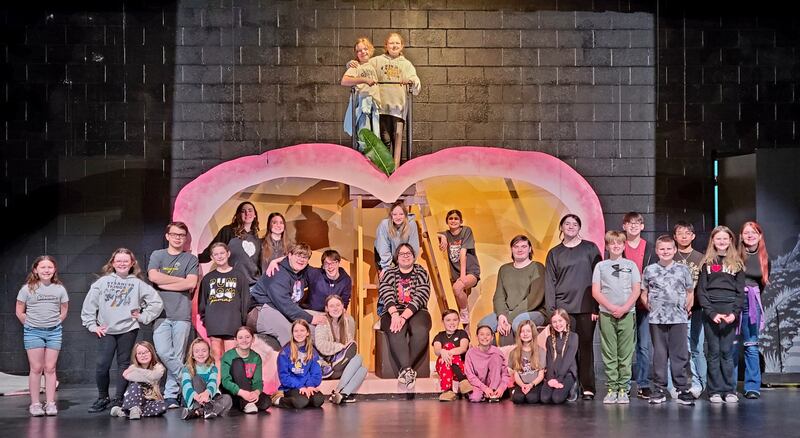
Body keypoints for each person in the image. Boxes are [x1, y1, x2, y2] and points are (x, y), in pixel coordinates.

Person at [81, 248, 164, 413]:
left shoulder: (137, 283)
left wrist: (143, 316)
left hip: (128, 329)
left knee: (123, 364)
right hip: (106, 330)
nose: (122, 263)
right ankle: (103, 397)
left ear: (132, 263)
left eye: (126, 261)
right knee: (102, 364)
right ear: (112, 263)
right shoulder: (102, 282)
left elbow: (156, 303)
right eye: (118, 260)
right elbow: (89, 304)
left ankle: (119, 398)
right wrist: (91, 325)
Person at [544, 214, 602, 400]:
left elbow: (599, 278)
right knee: (566, 349)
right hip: (563, 310)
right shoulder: (554, 253)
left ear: (579, 227)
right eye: (567, 224)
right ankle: (570, 386)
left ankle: (588, 387)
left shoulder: (590, 248)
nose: (571, 226)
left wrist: (596, 307)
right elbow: (550, 283)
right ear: (561, 227)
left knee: (585, 347)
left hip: (586, 307)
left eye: (575, 224)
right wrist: (552, 312)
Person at [147, 221, 199, 409]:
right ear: (167, 236)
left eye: (181, 235)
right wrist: (180, 281)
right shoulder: (157, 255)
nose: (178, 238)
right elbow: (153, 277)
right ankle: (188, 386)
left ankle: (170, 395)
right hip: (160, 314)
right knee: (163, 352)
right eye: (175, 234)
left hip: (181, 314)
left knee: (177, 355)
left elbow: (191, 283)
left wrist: (164, 283)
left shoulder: (190, 259)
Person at [349, 32, 421, 164]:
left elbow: (416, 83)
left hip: (398, 110)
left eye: (397, 43)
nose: (394, 45)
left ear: (402, 46)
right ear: (386, 45)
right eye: (391, 43)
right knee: (384, 142)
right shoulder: (377, 61)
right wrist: (351, 64)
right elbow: (362, 65)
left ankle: (396, 171)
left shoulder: (407, 64)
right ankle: (385, 171)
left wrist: (410, 80)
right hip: (381, 109)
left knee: (397, 141)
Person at [640, 235, 695, 406]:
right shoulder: (650, 270)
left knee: (680, 355)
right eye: (662, 249)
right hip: (657, 320)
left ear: (674, 250)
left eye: (669, 249)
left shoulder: (683, 269)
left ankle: (682, 389)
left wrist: (686, 308)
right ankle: (659, 389)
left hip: (678, 319)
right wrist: (650, 307)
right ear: (657, 251)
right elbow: (644, 292)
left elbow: (690, 291)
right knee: (659, 355)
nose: (665, 252)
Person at [697, 226, 745, 403]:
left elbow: (740, 292)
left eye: (725, 238)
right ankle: (714, 391)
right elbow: (701, 291)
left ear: (730, 240)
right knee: (714, 352)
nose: (722, 241)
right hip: (712, 312)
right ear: (713, 241)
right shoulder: (707, 262)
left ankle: (729, 390)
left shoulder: (737, 263)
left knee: (726, 351)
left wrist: (734, 313)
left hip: (729, 312)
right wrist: (711, 313)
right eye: (718, 238)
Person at [15, 256, 69, 417]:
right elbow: (19, 311)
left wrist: (55, 322)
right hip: (33, 332)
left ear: (54, 270)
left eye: (50, 267)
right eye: (43, 267)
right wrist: (30, 324)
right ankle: (35, 404)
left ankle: (50, 403)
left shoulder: (59, 289)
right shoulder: (27, 289)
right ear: (35, 270)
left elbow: (64, 310)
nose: (46, 270)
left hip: (54, 332)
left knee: (50, 368)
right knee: (36, 368)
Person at [591, 231, 640, 404]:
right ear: (607, 246)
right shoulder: (601, 266)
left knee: (625, 353)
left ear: (624, 245)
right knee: (609, 352)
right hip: (607, 314)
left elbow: (636, 290)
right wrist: (612, 308)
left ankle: (623, 389)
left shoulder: (631, 265)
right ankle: (612, 388)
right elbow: (596, 291)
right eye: (612, 243)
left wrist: (624, 308)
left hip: (627, 313)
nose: (616, 246)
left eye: (619, 243)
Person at [378, 243, 432, 390]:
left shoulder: (421, 272)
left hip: (417, 310)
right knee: (395, 329)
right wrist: (395, 314)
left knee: (420, 330)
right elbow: (386, 293)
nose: (406, 256)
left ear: (413, 256)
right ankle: (408, 370)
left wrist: (403, 317)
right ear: (397, 257)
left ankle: (405, 369)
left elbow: (421, 296)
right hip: (393, 311)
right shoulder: (390, 273)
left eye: (409, 253)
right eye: (402, 254)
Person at [250, 243, 326, 346]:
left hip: (281, 308)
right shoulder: (277, 273)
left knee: (316, 327)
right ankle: (292, 356)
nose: (301, 259)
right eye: (298, 255)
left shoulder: (303, 270)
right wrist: (311, 319)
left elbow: (325, 272)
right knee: (291, 332)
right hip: (260, 309)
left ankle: (330, 352)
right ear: (289, 255)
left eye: (305, 257)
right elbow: (286, 306)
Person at [478, 235, 546, 346]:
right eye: (516, 246)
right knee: (484, 325)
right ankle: (493, 355)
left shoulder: (537, 267)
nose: (520, 249)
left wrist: (508, 319)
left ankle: (515, 356)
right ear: (511, 249)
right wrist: (501, 315)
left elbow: (534, 299)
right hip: (508, 312)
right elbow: (499, 296)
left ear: (530, 249)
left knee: (516, 323)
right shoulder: (504, 269)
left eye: (524, 246)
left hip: (534, 311)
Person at [620, 212, 657, 400]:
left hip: (644, 304)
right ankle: (624, 384)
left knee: (643, 346)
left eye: (637, 223)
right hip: (625, 304)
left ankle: (643, 384)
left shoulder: (650, 247)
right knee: (625, 347)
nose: (633, 226)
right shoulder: (619, 246)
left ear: (642, 226)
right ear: (624, 226)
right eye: (630, 223)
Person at [198, 242, 250, 368]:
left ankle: (229, 381)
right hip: (214, 322)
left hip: (233, 321)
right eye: (216, 254)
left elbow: (245, 300)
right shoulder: (208, 278)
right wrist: (206, 320)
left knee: (231, 356)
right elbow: (203, 302)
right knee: (216, 355)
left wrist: (241, 321)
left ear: (228, 254)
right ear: (212, 257)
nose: (219, 256)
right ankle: (218, 380)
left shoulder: (239, 276)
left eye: (222, 253)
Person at [735, 221, 770, 400]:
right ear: (741, 236)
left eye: (753, 232)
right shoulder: (734, 255)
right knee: (732, 345)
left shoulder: (764, 258)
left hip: (752, 302)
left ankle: (752, 386)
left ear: (760, 235)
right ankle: (729, 386)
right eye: (746, 232)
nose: (750, 235)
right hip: (733, 302)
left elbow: (761, 285)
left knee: (751, 344)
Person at [672, 221, 706, 398]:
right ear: (675, 237)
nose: (684, 236)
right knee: (677, 348)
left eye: (687, 233)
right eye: (680, 233)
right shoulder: (670, 256)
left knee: (696, 348)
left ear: (693, 236)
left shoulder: (701, 258)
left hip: (697, 309)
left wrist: (692, 304)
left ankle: (701, 383)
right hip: (675, 310)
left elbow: (703, 286)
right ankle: (679, 384)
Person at [315, 295, 367, 404]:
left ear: (343, 307)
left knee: (363, 369)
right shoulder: (322, 323)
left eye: (338, 305)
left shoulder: (346, 322)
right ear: (326, 309)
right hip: (328, 365)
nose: (335, 308)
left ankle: (341, 393)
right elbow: (321, 345)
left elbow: (349, 346)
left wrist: (347, 347)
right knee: (359, 358)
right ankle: (340, 391)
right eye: (332, 306)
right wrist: (340, 347)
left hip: (341, 363)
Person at [199, 201, 262, 286]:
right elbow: (211, 250)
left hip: (253, 285)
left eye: (250, 210)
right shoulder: (228, 231)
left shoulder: (256, 238)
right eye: (243, 211)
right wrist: (192, 259)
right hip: (232, 283)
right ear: (238, 215)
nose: (247, 213)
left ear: (255, 215)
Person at [437, 210, 481, 328]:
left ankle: (464, 312)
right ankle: (466, 329)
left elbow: (463, 253)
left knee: (457, 288)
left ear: (461, 221)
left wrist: (462, 276)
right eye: (450, 218)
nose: (453, 221)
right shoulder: (446, 234)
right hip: (456, 274)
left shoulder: (466, 231)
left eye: (456, 218)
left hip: (470, 271)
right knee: (456, 295)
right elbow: (428, 233)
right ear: (447, 221)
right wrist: (442, 236)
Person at [275, 320, 326, 409]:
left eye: (302, 330)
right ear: (292, 333)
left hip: (306, 385)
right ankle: (278, 400)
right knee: (301, 402)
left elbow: (316, 373)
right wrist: (300, 386)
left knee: (318, 400)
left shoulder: (312, 352)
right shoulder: (285, 352)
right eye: (296, 331)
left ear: (307, 333)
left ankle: (305, 399)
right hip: (291, 387)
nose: (299, 334)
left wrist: (310, 385)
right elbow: (284, 377)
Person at [109, 341, 166, 419]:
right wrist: (147, 376)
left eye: (146, 352)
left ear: (152, 353)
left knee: (162, 406)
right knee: (135, 386)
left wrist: (137, 371)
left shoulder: (158, 367)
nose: (143, 355)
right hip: (134, 399)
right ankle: (134, 409)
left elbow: (154, 376)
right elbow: (126, 375)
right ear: (135, 356)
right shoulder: (133, 367)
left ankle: (123, 412)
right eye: (139, 353)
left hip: (150, 399)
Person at [220, 326, 271, 413]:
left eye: (247, 337)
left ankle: (244, 403)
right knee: (237, 362)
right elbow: (225, 381)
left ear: (253, 339)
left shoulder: (256, 357)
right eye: (240, 338)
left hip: (249, 390)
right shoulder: (228, 356)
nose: (244, 340)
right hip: (234, 391)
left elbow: (258, 381)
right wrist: (242, 393)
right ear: (236, 340)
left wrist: (256, 393)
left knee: (266, 402)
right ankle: (247, 403)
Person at [180, 338, 233, 420]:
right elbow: (186, 384)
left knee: (227, 399)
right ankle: (203, 409)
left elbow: (213, 382)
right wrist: (195, 395)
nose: (200, 354)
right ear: (192, 354)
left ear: (209, 352)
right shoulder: (187, 368)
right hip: (195, 398)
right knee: (197, 378)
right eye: (197, 351)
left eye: (204, 351)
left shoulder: (213, 368)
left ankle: (198, 412)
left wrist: (207, 393)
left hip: (209, 397)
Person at [341, 37, 381, 140]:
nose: (363, 52)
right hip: (364, 106)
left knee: (374, 137)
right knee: (365, 136)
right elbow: (344, 81)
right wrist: (364, 80)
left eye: (365, 49)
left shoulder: (372, 64)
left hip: (373, 106)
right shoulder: (356, 66)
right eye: (359, 50)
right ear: (356, 53)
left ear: (370, 49)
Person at [540, 309, 579, 405]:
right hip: (553, 374)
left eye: (560, 321)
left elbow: (567, 361)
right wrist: (550, 378)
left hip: (567, 374)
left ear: (566, 321)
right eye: (554, 322)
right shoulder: (549, 339)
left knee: (556, 398)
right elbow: (549, 360)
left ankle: (573, 387)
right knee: (545, 398)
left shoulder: (573, 337)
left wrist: (559, 379)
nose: (558, 324)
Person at [432, 309, 471, 402]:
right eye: (448, 320)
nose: (452, 323)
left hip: (461, 368)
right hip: (443, 368)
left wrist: (447, 352)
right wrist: (442, 351)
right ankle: (460, 383)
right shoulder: (439, 336)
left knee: (448, 347)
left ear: (458, 321)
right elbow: (437, 350)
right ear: (443, 322)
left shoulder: (462, 333)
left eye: (455, 320)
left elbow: (463, 348)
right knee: (446, 349)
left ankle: (448, 389)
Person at [464, 325, 509, 403]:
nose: (485, 337)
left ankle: (493, 392)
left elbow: (505, 374)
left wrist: (501, 388)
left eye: (488, 334)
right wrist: (485, 389)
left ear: (492, 337)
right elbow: (470, 375)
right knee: (475, 398)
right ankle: (485, 394)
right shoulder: (470, 353)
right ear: (477, 336)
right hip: (478, 384)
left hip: (494, 385)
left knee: (495, 357)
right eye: (482, 334)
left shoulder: (497, 352)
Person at [375, 200, 420, 277]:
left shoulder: (411, 224)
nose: (398, 217)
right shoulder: (385, 225)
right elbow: (383, 247)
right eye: (395, 214)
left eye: (401, 214)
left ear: (405, 215)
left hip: (404, 256)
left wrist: (408, 263)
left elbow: (413, 246)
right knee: (388, 277)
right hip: (385, 257)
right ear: (391, 215)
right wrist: (386, 267)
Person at [509, 320, 545, 404]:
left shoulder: (540, 351)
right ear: (519, 334)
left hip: (535, 383)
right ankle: (514, 392)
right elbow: (516, 374)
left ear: (533, 333)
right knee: (518, 399)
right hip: (521, 383)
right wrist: (522, 385)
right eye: (522, 331)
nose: (525, 334)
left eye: (528, 331)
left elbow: (541, 374)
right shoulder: (514, 352)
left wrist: (531, 385)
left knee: (531, 398)